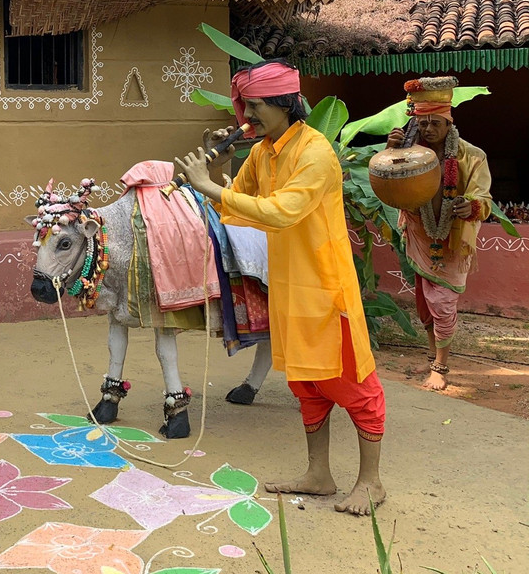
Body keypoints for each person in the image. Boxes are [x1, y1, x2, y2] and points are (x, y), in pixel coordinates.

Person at [174, 59, 386, 516]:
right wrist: (221, 165)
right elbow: (241, 206)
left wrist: (208, 186)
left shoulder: (316, 153)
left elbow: (279, 211)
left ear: (287, 104)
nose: (246, 117)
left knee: (354, 383)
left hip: (327, 291)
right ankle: (320, 475)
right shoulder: (263, 151)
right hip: (289, 287)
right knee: (308, 384)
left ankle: (371, 482)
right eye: (245, 106)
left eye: (255, 106)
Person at [385, 76, 492, 391]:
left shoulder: (472, 156)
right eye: (423, 123)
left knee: (443, 302)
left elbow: (483, 198)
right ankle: (433, 356)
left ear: (448, 123)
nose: (428, 129)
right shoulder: (408, 150)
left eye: (435, 123)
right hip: (419, 235)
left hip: (452, 241)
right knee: (424, 302)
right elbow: (388, 186)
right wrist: (390, 152)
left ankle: (441, 368)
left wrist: (470, 207)